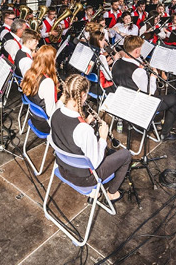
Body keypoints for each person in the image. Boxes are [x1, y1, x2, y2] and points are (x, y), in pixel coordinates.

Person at [49, 74, 131, 202]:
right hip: (84, 179)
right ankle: (112, 193)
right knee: (125, 154)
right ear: (82, 95)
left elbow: (68, 134)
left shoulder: (55, 113)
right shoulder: (83, 130)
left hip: (63, 168)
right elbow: (95, 162)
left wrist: (85, 123)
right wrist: (103, 138)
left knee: (111, 153)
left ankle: (97, 193)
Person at [112, 36, 176, 141]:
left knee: (169, 95)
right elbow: (151, 92)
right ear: (137, 50)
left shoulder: (116, 63)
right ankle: (165, 134)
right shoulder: (138, 72)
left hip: (123, 101)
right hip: (139, 105)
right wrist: (153, 77)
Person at [20, 45, 59, 133]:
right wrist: (63, 100)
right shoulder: (47, 82)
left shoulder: (30, 72)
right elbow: (51, 112)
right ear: (50, 61)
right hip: (45, 124)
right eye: (55, 58)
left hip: (34, 118)